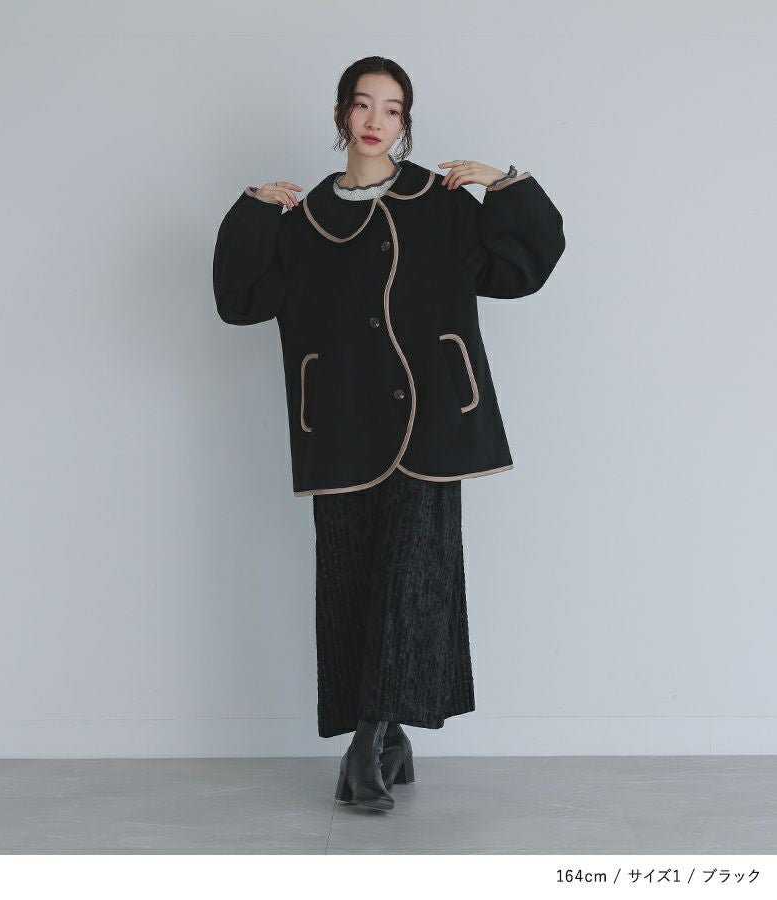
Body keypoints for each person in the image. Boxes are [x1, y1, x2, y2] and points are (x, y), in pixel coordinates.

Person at [213, 56, 566, 812]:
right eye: (363, 104)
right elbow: (240, 300)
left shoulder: (440, 204)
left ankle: (364, 745)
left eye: (393, 108)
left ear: (406, 122)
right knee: (350, 582)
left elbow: (520, 270)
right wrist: (251, 212)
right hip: (340, 428)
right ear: (341, 113)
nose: (376, 120)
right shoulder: (304, 222)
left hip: (433, 421)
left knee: (414, 581)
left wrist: (507, 188)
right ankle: (391, 737)